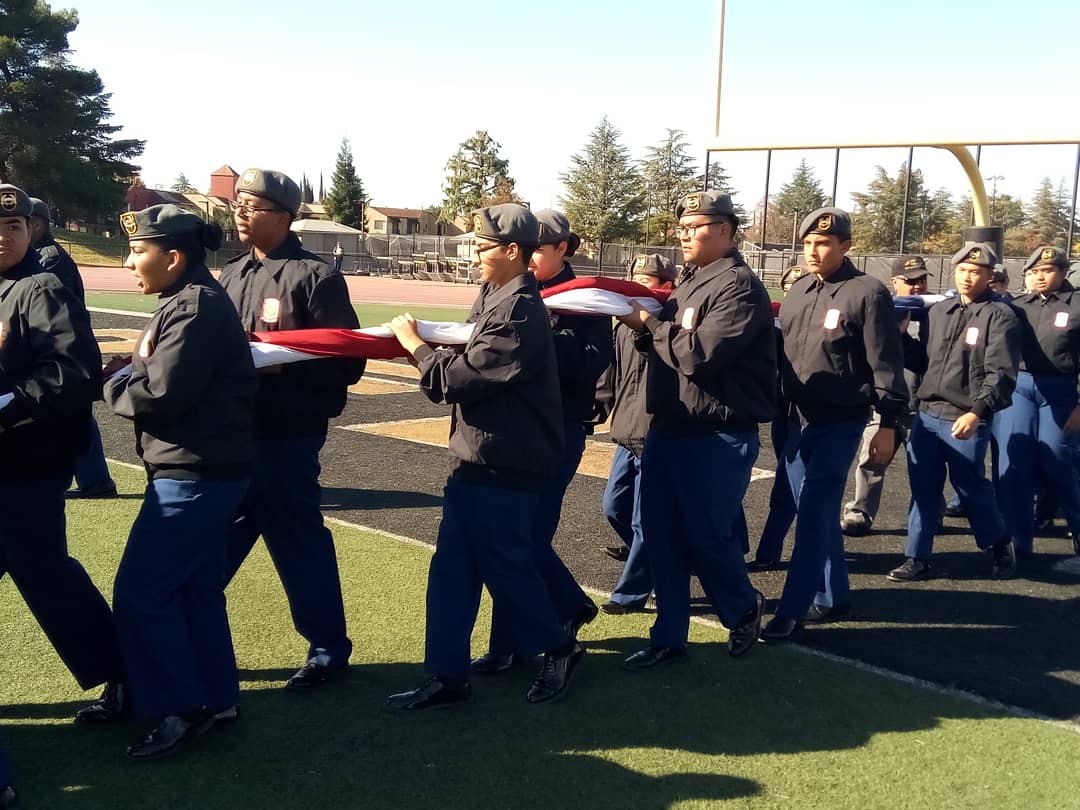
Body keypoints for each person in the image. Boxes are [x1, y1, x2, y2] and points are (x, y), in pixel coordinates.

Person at [384, 204, 584, 711]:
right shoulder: (495, 297)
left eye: (482, 246)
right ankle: (447, 676)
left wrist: (415, 347)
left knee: (507, 567)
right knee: (452, 569)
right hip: (477, 456)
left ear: (512, 250)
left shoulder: (519, 310)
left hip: (506, 462)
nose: (474, 254)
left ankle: (561, 647)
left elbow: (458, 380)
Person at [83, 205, 256, 759]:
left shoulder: (194, 306)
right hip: (205, 469)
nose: (130, 262)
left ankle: (178, 707)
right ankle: (217, 698)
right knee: (194, 590)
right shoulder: (188, 300)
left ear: (173, 257)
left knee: (143, 593)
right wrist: (131, 371)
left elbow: (160, 395)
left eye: (138, 251)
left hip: (193, 475)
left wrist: (111, 382)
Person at [219, 168, 365, 690]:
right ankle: (193, 645)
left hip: (286, 439)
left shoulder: (315, 277)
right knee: (204, 552)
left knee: (299, 546)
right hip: (231, 437)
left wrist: (281, 366)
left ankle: (327, 648)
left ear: (283, 216)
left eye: (252, 205)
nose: (240, 212)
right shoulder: (230, 274)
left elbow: (348, 361)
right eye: (238, 203)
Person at [616, 190, 774, 668]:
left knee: (706, 535)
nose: (685, 235)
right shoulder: (690, 282)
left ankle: (742, 608)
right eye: (682, 228)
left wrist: (649, 325)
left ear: (726, 230)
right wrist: (646, 331)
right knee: (661, 535)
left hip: (717, 435)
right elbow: (667, 351)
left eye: (696, 227)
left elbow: (699, 354)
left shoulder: (738, 287)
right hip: (671, 427)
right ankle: (669, 636)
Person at [0, 184, 124, 710]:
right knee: (46, 572)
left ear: (30, 230)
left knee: (46, 573)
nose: (4, 236)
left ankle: (126, 675)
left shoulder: (41, 288)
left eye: (13, 226)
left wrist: (7, 405)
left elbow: (71, 373)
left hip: (27, 464)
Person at [471, 209, 610, 673]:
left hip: (557, 430)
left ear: (562, 249)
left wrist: (536, 339)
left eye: (540, 251)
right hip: (511, 430)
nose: (529, 260)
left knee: (523, 536)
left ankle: (513, 643)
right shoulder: (503, 288)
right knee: (513, 537)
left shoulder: (583, 298)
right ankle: (563, 607)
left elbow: (591, 362)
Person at [762, 208, 908, 641]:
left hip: (839, 421)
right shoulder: (798, 290)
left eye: (824, 243)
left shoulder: (867, 292)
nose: (813, 251)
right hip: (793, 419)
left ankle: (791, 611)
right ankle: (833, 595)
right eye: (808, 243)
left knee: (812, 513)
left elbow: (886, 363)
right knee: (818, 512)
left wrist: (889, 423)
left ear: (846, 246)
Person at [887, 243, 1020, 582]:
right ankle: (917, 557)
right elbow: (924, 362)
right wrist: (901, 339)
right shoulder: (939, 312)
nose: (967, 277)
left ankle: (998, 542)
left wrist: (977, 411)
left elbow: (1001, 373)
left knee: (969, 486)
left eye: (975, 271)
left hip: (965, 415)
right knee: (923, 489)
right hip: (927, 414)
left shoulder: (999, 316)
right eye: (962, 270)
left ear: (989, 276)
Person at [594, 254, 676, 613]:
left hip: (656, 434)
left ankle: (631, 593)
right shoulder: (622, 328)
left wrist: (650, 327)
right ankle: (659, 558)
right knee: (614, 506)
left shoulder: (668, 327)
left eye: (647, 281)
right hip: (626, 432)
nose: (638, 286)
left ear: (665, 286)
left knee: (646, 517)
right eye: (635, 279)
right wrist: (594, 412)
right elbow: (610, 377)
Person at [992, 246, 1080, 558]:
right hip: (1021, 387)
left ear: (1064, 272)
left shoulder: (1077, 304)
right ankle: (1018, 540)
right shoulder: (1018, 306)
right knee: (1014, 462)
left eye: (1048, 270)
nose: (1040, 276)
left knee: (1057, 460)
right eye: (1035, 271)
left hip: (1062, 388)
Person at [28, 197, 116, 499]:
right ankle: (96, 480)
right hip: (62, 344)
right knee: (75, 414)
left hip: (64, 347)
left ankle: (96, 481)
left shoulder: (48, 257)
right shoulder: (44, 253)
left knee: (74, 414)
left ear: (36, 224)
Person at [840, 255, 931, 536]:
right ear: (894, 282)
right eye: (910, 280)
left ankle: (931, 515)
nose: (917, 285)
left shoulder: (932, 313)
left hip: (920, 405)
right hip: (885, 402)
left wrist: (901, 337)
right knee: (872, 460)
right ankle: (860, 512)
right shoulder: (881, 310)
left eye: (921, 279)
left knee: (926, 469)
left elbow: (925, 360)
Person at [748, 264, 802, 570]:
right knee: (787, 483)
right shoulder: (775, 323)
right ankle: (770, 551)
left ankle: (772, 552)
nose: (794, 292)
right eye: (790, 287)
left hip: (808, 417)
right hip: (783, 414)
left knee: (794, 486)